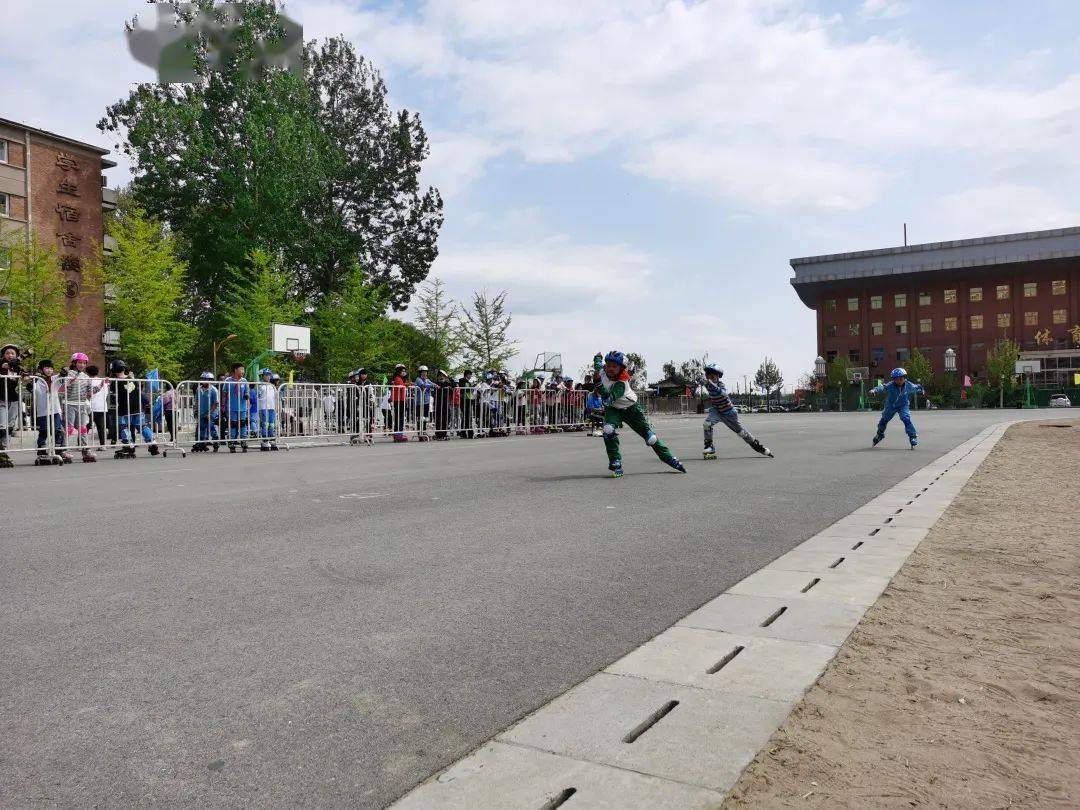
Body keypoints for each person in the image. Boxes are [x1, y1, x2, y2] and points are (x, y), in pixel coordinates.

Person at [593, 351, 685, 477]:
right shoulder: (602, 371)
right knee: (608, 430)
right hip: (613, 409)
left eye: (614, 366)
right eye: (608, 365)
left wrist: (598, 384)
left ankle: (669, 458)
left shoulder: (621, 383)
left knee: (650, 438)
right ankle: (615, 460)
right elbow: (597, 363)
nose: (610, 369)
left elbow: (608, 398)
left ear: (621, 368)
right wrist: (598, 357)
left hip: (631, 409)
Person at [700, 363, 773, 460]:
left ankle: (757, 446)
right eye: (708, 376)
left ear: (718, 377)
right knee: (707, 424)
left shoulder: (721, 385)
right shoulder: (708, 383)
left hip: (729, 413)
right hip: (716, 411)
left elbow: (722, 393)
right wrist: (699, 380)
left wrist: (708, 383)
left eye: (712, 376)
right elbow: (701, 384)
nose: (710, 378)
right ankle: (709, 447)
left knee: (741, 433)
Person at [110, 360, 159, 458]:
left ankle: (129, 445)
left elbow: (113, 394)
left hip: (125, 408)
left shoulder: (115, 382)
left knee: (124, 426)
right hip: (137, 407)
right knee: (142, 426)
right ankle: (152, 442)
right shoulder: (133, 380)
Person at [29, 359, 71, 464]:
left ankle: (57, 451)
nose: (49, 370)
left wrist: (64, 372)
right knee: (44, 431)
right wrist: (32, 382)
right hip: (43, 411)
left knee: (58, 431)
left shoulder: (54, 379)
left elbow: (61, 377)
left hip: (55, 410)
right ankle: (42, 452)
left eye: (51, 368)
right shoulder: (38, 380)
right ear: (41, 369)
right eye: (47, 368)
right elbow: (31, 388)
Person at [870, 368, 925, 448]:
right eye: (896, 379)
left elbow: (917, 387)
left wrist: (922, 390)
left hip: (903, 405)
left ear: (904, 378)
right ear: (893, 379)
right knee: (883, 421)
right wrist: (874, 390)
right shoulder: (890, 385)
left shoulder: (908, 385)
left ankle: (913, 436)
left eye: (901, 378)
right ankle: (879, 434)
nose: (899, 380)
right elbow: (882, 387)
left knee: (906, 419)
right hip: (891, 406)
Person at [61, 352, 96, 461]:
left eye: (84, 363)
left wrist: (101, 385)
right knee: (69, 429)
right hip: (69, 404)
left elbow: (90, 392)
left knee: (83, 428)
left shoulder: (86, 377)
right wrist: (72, 377)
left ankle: (85, 450)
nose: (82, 365)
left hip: (81, 404)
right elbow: (63, 387)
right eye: (80, 362)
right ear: (74, 363)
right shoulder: (69, 373)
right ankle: (63, 450)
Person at [0, 344, 25, 468]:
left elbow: (26, 376)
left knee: (9, 427)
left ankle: (3, 451)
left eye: (12, 353)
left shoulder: (16, 368)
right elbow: (4, 365)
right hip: (1, 399)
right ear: (3, 355)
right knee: (2, 426)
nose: (10, 355)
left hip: (13, 399)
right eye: (7, 353)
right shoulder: (2, 365)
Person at [221, 362, 250, 453]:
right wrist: (223, 406)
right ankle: (232, 442)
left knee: (242, 424)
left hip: (242, 407)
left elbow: (247, 392)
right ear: (235, 370)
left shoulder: (244, 381)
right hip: (231, 407)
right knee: (233, 425)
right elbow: (224, 394)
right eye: (241, 369)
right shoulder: (228, 380)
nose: (243, 371)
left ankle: (244, 441)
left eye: (243, 370)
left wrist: (246, 395)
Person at [193, 371, 221, 452]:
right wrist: (196, 411)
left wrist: (210, 413)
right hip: (202, 411)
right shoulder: (199, 389)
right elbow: (197, 401)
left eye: (205, 379)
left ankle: (216, 441)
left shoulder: (214, 390)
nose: (203, 380)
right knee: (201, 428)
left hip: (211, 411)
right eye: (202, 379)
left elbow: (215, 403)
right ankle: (201, 444)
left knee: (211, 427)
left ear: (210, 380)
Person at [86, 365, 109, 451]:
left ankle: (81, 443)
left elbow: (88, 393)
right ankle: (103, 445)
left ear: (88, 373)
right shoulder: (103, 381)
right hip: (102, 406)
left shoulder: (88, 381)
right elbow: (106, 393)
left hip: (90, 406)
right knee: (101, 427)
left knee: (86, 425)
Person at [256, 367, 279, 451]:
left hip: (272, 407)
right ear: (262, 376)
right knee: (265, 424)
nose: (268, 377)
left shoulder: (272, 386)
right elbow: (257, 395)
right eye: (266, 375)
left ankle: (272, 440)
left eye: (269, 375)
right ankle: (265, 441)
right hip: (263, 407)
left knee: (272, 425)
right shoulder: (260, 385)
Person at [414, 365, 437, 439]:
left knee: (425, 418)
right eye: (423, 372)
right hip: (420, 402)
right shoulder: (418, 379)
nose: (424, 374)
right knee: (420, 418)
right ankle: (420, 433)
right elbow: (423, 385)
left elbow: (432, 384)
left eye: (426, 372)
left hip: (426, 402)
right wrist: (432, 386)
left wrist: (436, 385)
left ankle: (423, 431)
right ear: (420, 373)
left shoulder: (427, 380)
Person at [433, 369, 455, 440]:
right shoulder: (436, 383)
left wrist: (449, 378)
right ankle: (438, 434)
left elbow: (455, 385)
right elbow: (436, 391)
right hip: (438, 404)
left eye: (443, 376)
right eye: (440, 376)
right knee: (439, 418)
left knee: (446, 418)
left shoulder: (447, 383)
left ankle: (444, 433)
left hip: (446, 404)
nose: (441, 377)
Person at [391, 363, 409, 442]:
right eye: (403, 371)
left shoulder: (400, 378)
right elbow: (401, 386)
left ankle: (399, 434)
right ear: (399, 371)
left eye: (405, 371)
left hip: (400, 400)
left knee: (400, 418)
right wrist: (409, 384)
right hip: (398, 400)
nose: (404, 372)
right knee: (399, 418)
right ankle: (398, 434)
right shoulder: (398, 378)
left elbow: (403, 385)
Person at [458, 370, 476, 439]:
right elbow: (463, 390)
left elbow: (469, 390)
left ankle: (467, 433)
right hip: (464, 400)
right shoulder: (462, 381)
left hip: (468, 400)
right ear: (466, 374)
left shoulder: (468, 382)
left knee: (468, 417)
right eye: (470, 374)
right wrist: (471, 388)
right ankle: (465, 432)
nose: (471, 376)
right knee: (465, 417)